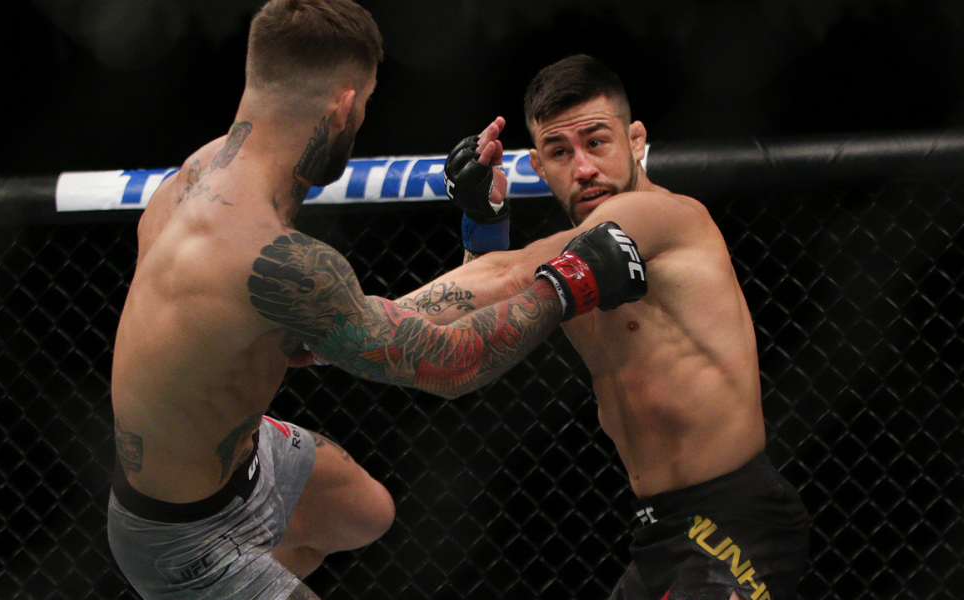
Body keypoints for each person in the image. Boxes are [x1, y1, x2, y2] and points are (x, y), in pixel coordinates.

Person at [107, 3, 647, 598]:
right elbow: (451, 362)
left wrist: (485, 225)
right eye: (364, 104)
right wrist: (569, 282)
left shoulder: (199, 177)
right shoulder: (267, 255)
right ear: (344, 106)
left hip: (242, 455)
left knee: (365, 513)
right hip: (182, 536)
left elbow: (372, 318)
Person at [399, 54, 811, 600]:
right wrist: (485, 222)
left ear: (636, 140)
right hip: (659, 531)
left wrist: (336, 322)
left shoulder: (664, 217)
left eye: (597, 142)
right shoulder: (574, 263)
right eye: (560, 152)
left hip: (737, 520)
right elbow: (477, 327)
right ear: (538, 166)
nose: (584, 167)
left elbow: (507, 275)